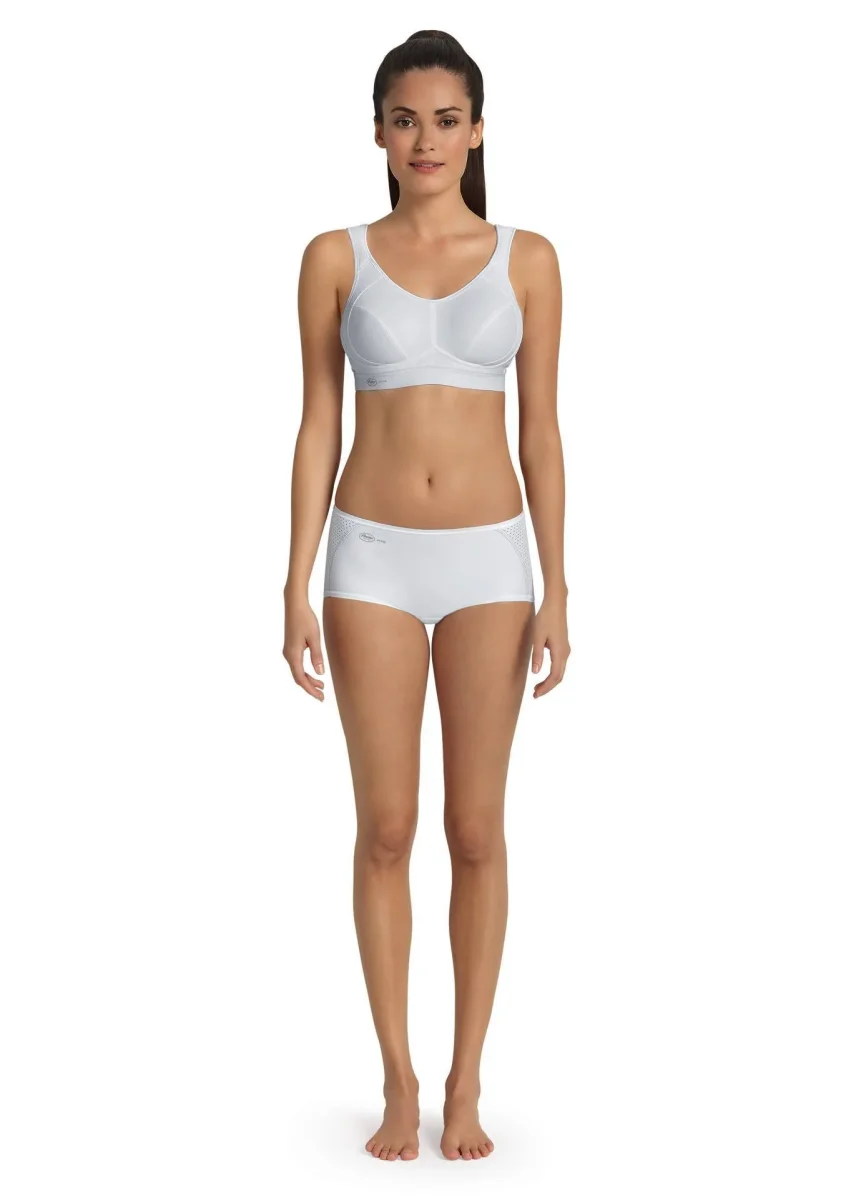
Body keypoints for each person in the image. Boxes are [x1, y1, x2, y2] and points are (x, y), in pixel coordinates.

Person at [282, 29, 571, 1162]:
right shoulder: (334, 257)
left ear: (478, 131)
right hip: (371, 561)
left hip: (491, 562)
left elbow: (541, 434)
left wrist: (557, 584)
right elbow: (318, 424)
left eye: (447, 120)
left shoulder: (529, 259)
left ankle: (466, 1081)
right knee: (389, 829)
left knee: (477, 832)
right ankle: (398, 1079)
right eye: (405, 120)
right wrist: (294, 580)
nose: (426, 140)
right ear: (377, 132)